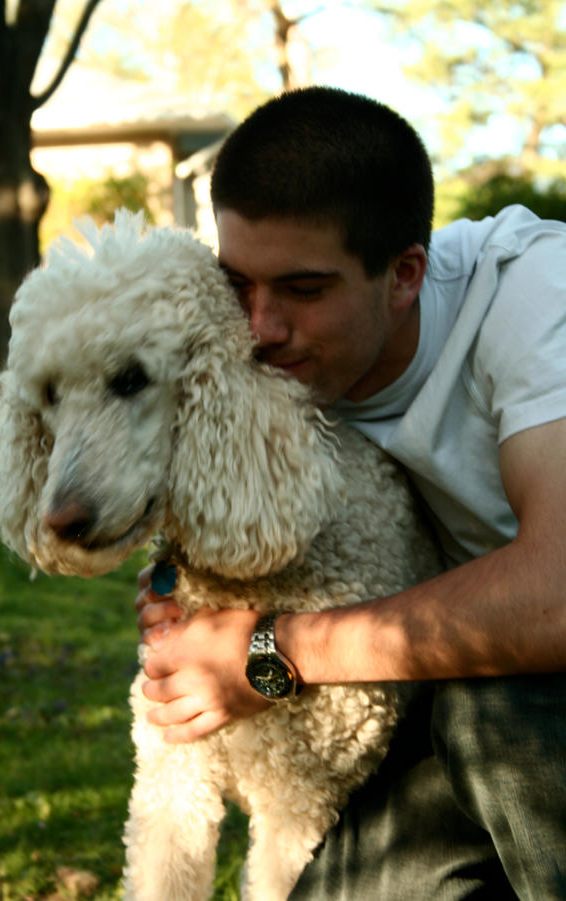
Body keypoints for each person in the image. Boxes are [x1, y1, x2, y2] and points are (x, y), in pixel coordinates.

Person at [135, 87, 566, 899]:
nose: (259, 328)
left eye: (304, 289)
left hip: (517, 696)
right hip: (453, 705)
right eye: (238, 283)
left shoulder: (535, 297)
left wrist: (272, 653)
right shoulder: (263, 357)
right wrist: (179, 592)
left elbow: (559, 594)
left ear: (405, 274)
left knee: (495, 713)